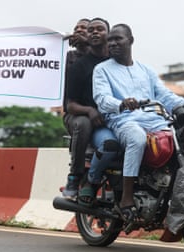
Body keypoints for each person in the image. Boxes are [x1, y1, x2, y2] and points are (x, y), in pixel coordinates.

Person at [92, 24, 184, 221]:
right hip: (122, 120)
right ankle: (127, 198)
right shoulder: (102, 69)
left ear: (131, 40)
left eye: (117, 39)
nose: (112, 43)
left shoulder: (146, 70)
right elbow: (101, 99)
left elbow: (165, 96)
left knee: (183, 136)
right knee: (137, 139)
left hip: (154, 119)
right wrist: (121, 103)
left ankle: (172, 193)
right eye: (110, 40)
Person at [62, 18, 119, 206]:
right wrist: (90, 111)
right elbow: (70, 104)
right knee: (84, 123)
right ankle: (75, 177)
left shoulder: (117, 63)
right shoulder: (76, 62)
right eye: (90, 30)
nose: (93, 32)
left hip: (109, 116)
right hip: (79, 115)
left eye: (99, 29)